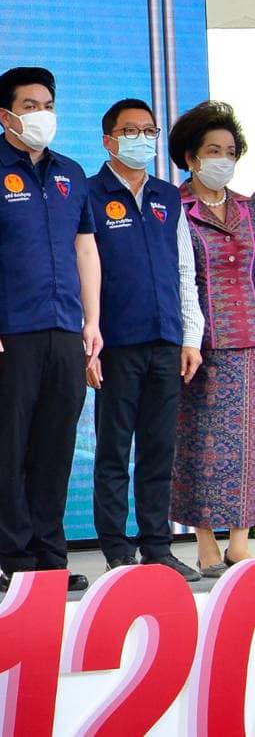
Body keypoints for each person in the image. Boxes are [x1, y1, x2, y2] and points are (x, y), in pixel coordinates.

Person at [0, 66, 100, 591]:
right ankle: (17, 562)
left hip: (65, 329)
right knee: (10, 450)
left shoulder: (72, 173)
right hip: (9, 334)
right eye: (30, 105)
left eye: (48, 104)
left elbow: (85, 249)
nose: (43, 114)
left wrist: (93, 321)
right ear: (5, 115)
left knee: (55, 449)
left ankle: (51, 558)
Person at [85, 99, 204, 580]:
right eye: (130, 131)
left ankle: (157, 544)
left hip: (165, 340)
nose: (141, 139)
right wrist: (88, 341)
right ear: (108, 140)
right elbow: (80, 271)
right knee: (114, 451)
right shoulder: (88, 194)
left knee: (158, 450)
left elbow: (184, 269)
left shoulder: (167, 197)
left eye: (149, 130)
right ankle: (116, 549)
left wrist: (190, 337)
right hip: (116, 343)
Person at [168, 100, 255, 576]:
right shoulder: (173, 208)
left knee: (247, 447)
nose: (224, 159)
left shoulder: (248, 208)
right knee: (198, 445)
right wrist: (187, 336)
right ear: (191, 156)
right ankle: (204, 543)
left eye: (231, 151)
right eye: (214, 150)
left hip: (249, 339)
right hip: (196, 343)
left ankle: (239, 543)